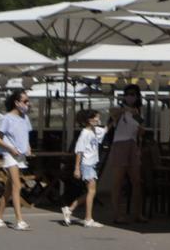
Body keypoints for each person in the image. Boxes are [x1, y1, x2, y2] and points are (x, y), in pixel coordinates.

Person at [103, 84, 147, 223]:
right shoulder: (119, 110)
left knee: (136, 181)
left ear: (137, 96)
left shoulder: (139, 112)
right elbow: (112, 113)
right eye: (128, 94)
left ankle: (137, 213)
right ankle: (117, 214)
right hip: (120, 145)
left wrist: (136, 116)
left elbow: (142, 130)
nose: (130, 96)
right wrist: (125, 110)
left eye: (133, 94)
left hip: (133, 145)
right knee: (118, 182)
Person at [0, 88, 33, 229]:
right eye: (25, 101)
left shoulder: (25, 118)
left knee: (9, 188)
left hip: (21, 155)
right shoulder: (6, 118)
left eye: (28, 101)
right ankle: (19, 220)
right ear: (17, 102)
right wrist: (10, 148)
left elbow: (25, 135)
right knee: (17, 185)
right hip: (9, 154)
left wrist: (28, 146)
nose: (27, 104)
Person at [62, 108, 106, 227]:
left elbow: (105, 130)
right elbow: (79, 151)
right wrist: (77, 168)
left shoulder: (94, 130)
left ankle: (70, 209)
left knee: (91, 191)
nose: (98, 119)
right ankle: (88, 219)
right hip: (86, 164)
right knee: (92, 191)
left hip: (91, 164)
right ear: (89, 119)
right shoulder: (85, 133)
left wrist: (114, 119)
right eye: (96, 117)